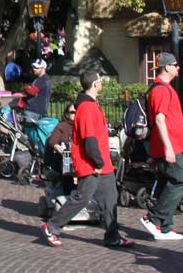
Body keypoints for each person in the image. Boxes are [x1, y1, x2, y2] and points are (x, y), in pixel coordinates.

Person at [42, 71, 132, 248]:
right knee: (82, 197)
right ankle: (52, 226)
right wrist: (97, 162)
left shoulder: (90, 105)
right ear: (95, 84)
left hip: (100, 163)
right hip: (92, 164)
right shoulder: (87, 108)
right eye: (100, 81)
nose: (101, 84)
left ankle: (112, 235)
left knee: (110, 197)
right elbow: (89, 139)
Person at [139, 52, 183, 241]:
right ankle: (153, 218)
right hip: (168, 146)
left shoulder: (163, 88)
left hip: (170, 146)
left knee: (169, 182)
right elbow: (160, 119)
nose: (178, 68)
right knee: (179, 181)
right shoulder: (161, 89)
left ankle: (165, 227)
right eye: (176, 65)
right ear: (167, 67)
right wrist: (169, 147)